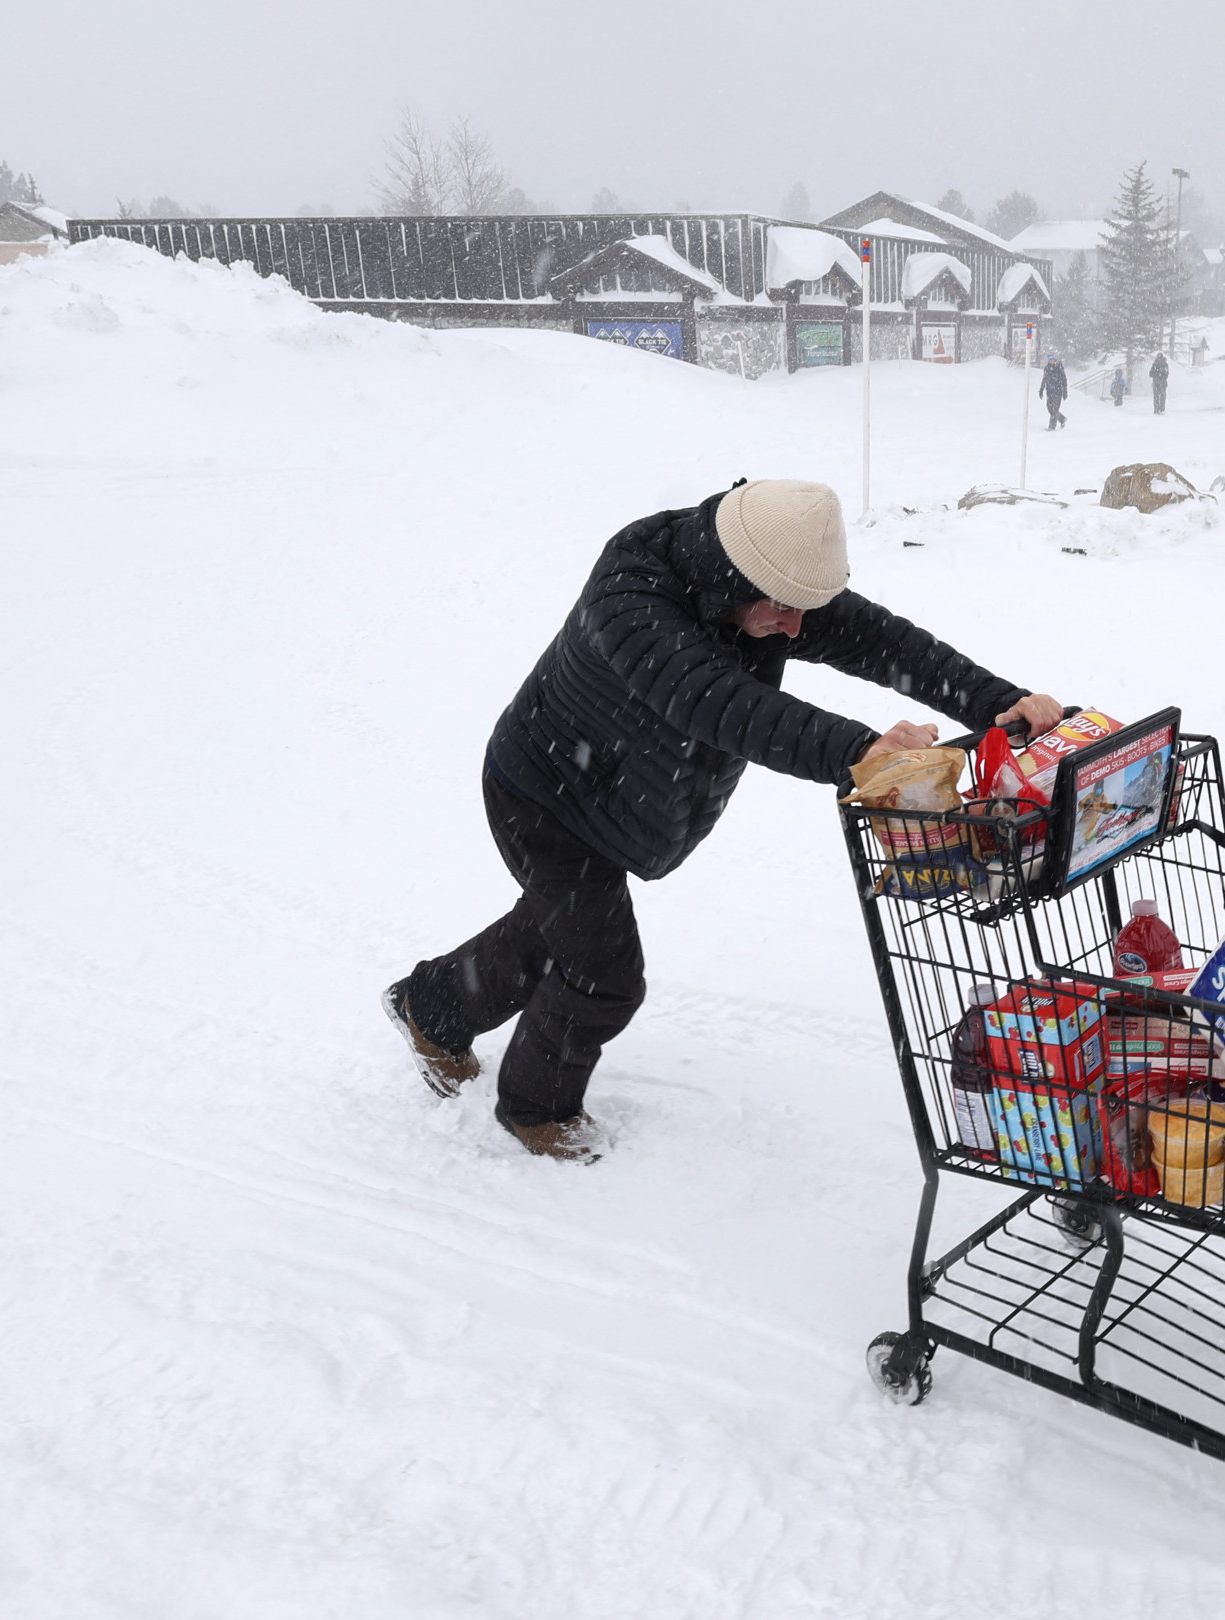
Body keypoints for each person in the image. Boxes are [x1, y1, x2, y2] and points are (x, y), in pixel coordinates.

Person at [382, 480, 1063, 1162]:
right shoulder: (632, 595)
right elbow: (723, 704)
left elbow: (880, 640)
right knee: (603, 970)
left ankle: (433, 1008)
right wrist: (861, 752)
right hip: (542, 795)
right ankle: (535, 1109)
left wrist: (997, 700)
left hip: (611, 797)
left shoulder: (762, 578)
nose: (798, 628)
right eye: (787, 610)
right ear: (737, 576)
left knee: (561, 924)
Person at [1040, 353, 1068, 430]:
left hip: (1058, 392)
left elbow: (1064, 380)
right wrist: (1041, 389)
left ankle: (1051, 427)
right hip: (1049, 392)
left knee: (1055, 410)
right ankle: (1062, 419)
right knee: (1050, 408)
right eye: (1049, 359)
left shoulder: (1059, 368)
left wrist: (1065, 391)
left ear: (1055, 359)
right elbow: (1044, 379)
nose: (1050, 360)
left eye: (1052, 359)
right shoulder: (1047, 368)